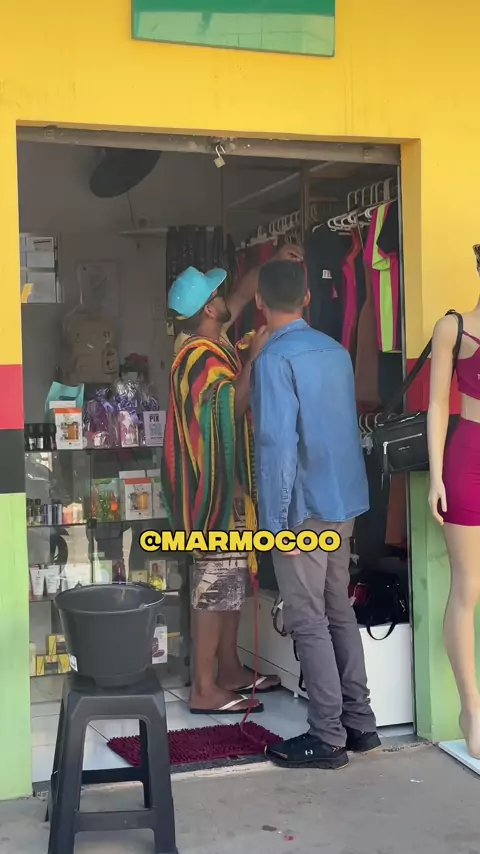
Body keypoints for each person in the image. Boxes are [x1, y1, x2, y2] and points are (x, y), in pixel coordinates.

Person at [161, 245, 302, 715]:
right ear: (208, 309)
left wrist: (275, 262)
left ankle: (229, 669)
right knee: (214, 584)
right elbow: (227, 409)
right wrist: (256, 359)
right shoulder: (196, 357)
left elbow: (243, 292)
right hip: (212, 496)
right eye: (217, 295)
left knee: (231, 582)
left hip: (229, 492)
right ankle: (204, 688)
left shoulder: (211, 339)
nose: (226, 298)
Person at [250, 260, 380, 769]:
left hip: (301, 510)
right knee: (337, 609)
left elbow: (277, 447)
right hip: (343, 501)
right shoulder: (336, 351)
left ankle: (327, 735)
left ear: (259, 302)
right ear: (307, 297)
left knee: (307, 618)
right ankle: (360, 724)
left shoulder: (272, 360)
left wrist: (274, 525)